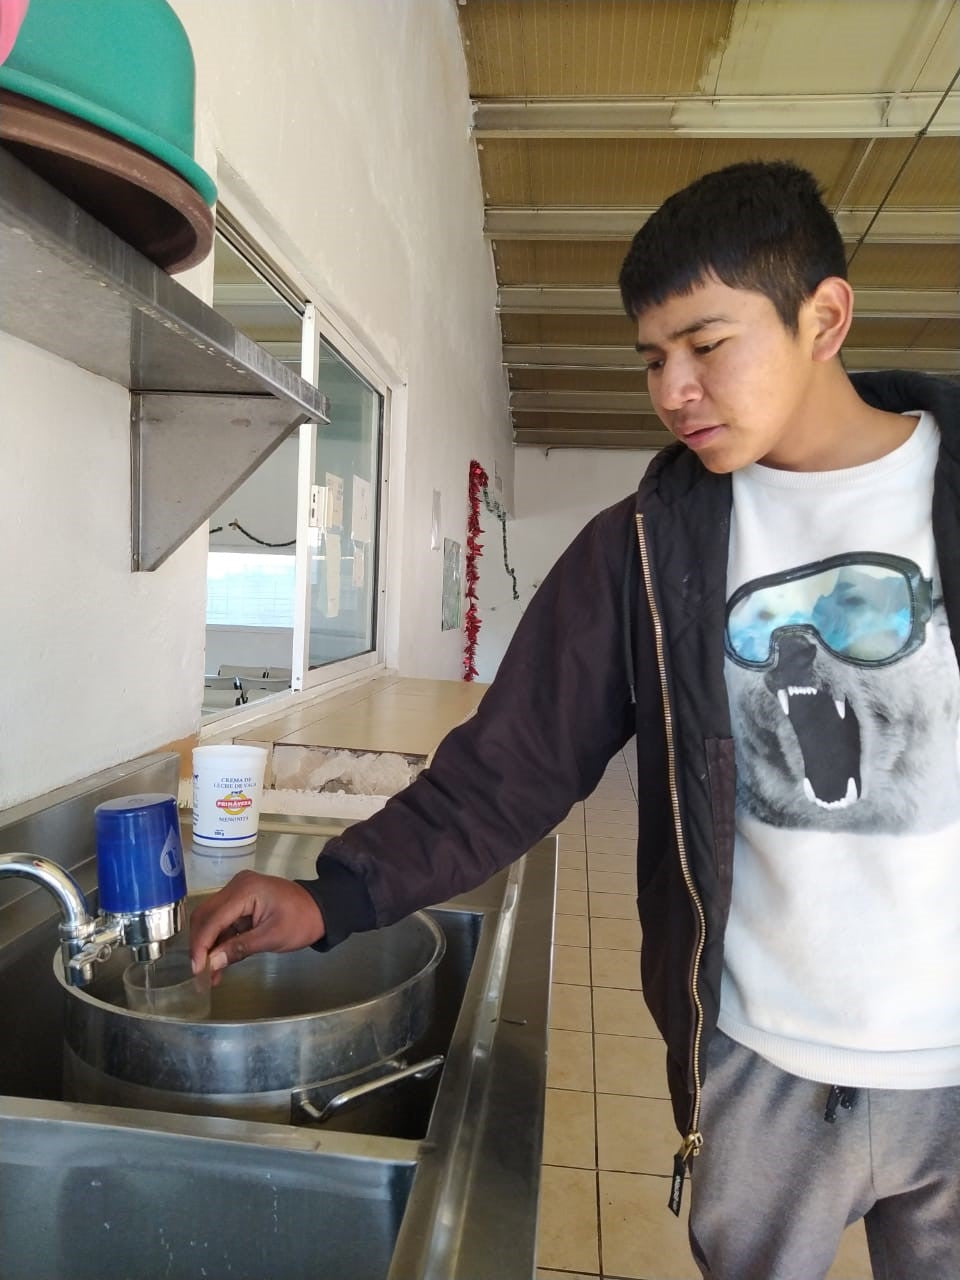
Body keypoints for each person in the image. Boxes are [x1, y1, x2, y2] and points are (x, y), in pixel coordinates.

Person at [190, 160, 960, 1280]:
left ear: (823, 316)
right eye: (653, 358)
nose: (674, 390)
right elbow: (513, 765)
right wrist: (333, 891)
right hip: (759, 1060)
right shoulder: (642, 546)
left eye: (708, 344)